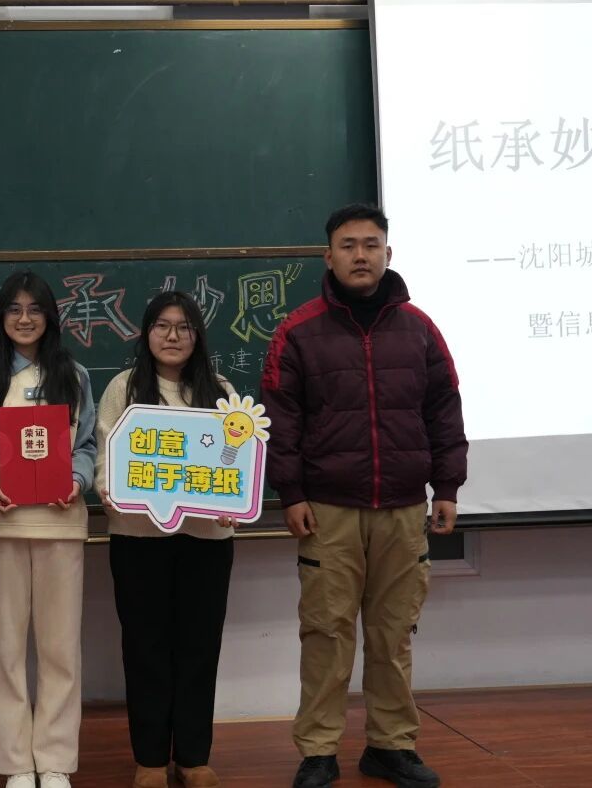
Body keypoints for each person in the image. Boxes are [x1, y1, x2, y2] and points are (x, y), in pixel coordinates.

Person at [259, 204, 467, 788]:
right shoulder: (298, 331)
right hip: (327, 510)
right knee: (326, 633)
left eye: (371, 245)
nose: (360, 255)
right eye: (348, 245)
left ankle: (390, 745)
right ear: (328, 256)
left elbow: (444, 409)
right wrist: (291, 492)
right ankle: (318, 751)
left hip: (402, 507)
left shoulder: (420, 329)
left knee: (393, 634)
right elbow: (281, 420)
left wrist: (447, 486)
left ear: (387, 254)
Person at [0, 270, 97, 788]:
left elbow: (87, 446)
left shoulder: (73, 375)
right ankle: (16, 762)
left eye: (34, 309)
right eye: (14, 309)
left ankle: (55, 760)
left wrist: (78, 481)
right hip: (1, 525)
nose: (24, 318)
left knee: (61, 649)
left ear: (50, 317)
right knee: (5, 650)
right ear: (0, 318)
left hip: (60, 524)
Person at [94, 291, 238, 788]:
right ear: (146, 333)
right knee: (145, 648)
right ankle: (151, 759)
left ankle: (194, 757)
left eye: (183, 327)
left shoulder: (220, 389)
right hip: (138, 538)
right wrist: (109, 489)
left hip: (206, 538)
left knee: (200, 647)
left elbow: (236, 460)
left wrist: (235, 498)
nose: (172, 336)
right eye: (162, 325)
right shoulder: (124, 387)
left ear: (198, 335)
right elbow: (105, 452)